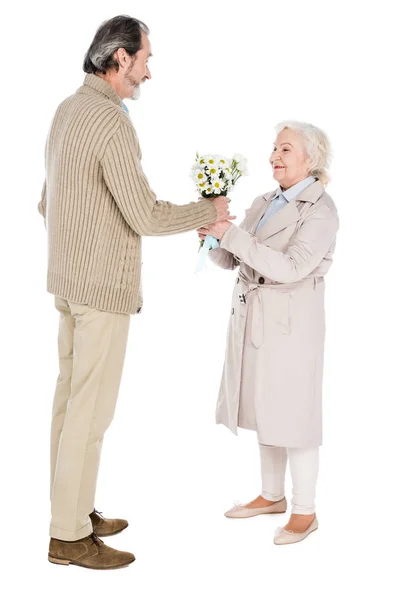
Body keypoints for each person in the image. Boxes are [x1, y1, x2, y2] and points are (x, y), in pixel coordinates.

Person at [38, 15, 232, 569]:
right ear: (118, 58)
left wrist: (74, 248)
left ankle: (69, 512)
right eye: (145, 59)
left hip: (67, 284)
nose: (149, 71)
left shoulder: (66, 110)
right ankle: (69, 536)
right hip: (99, 289)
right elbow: (144, 213)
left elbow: (45, 202)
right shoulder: (108, 121)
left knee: (68, 406)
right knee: (89, 414)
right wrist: (208, 210)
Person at [198, 121, 339, 545]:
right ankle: (272, 495)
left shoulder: (321, 210)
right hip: (255, 316)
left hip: (291, 323)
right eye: (274, 148)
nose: (274, 156)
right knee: (265, 408)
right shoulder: (265, 201)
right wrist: (210, 238)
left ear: (311, 159)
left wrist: (233, 235)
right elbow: (234, 260)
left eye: (286, 149)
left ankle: (305, 510)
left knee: (295, 415)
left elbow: (291, 267)